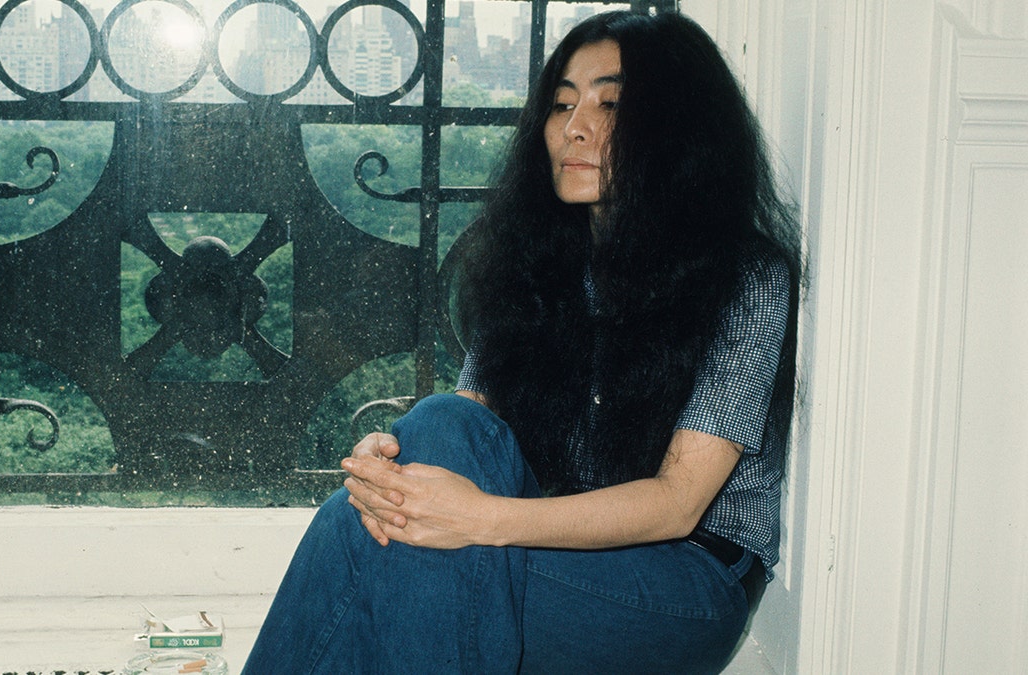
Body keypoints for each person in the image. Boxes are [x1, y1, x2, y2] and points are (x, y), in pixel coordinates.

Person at [243, 10, 801, 674]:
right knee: (409, 461)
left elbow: (675, 505)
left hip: (682, 581)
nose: (575, 126)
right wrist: (391, 465)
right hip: (547, 537)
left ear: (677, 129)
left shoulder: (743, 276)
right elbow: (465, 425)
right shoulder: (537, 264)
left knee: (355, 535)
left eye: (610, 103)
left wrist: (480, 518)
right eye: (561, 103)